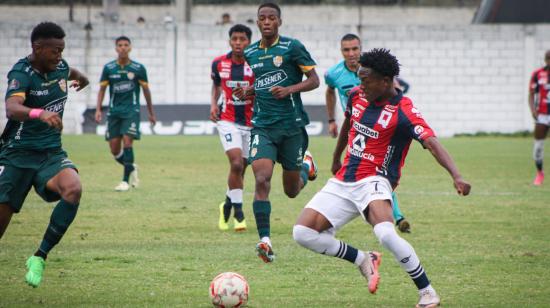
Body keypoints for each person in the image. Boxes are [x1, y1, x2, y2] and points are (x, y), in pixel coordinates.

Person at [293, 49, 471, 307]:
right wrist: (335, 156)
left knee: (386, 234)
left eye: (365, 80)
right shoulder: (357, 96)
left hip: (375, 179)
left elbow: (431, 142)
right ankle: (363, 259)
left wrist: (457, 176)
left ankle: (427, 292)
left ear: (386, 81)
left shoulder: (404, 110)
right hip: (344, 179)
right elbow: (349, 124)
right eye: (359, 79)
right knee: (302, 233)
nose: (360, 85)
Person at [0, 22, 89, 288]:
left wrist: (82, 79)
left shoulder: (60, 67)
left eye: (62, 50)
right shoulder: (22, 73)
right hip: (17, 155)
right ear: (37, 48)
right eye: (54, 51)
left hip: (50, 154)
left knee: (73, 189)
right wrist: (39, 113)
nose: (59, 56)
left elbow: (69, 71)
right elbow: (12, 108)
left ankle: (39, 256)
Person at [234, 2, 319, 263]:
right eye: (262, 18)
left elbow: (315, 80)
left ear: (279, 22)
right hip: (263, 126)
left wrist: (290, 89)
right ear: (257, 23)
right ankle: (265, 241)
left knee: (291, 191)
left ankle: (306, 165)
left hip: (292, 126)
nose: (267, 21)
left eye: (272, 17)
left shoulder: (292, 47)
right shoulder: (250, 52)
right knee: (261, 177)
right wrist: (250, 91)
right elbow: (262, 81)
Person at [325, 33, 411, 233]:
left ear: (360, 48)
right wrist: (331, 120)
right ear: (341, 51)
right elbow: (329, 91)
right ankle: (386, 217)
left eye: (355, 49)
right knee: (367, 170)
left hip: (375, 126)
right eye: (346, 50)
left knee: (378, 169)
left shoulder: (375, 70)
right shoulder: (333, 73)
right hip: (353, 125)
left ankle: (395, 217)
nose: (351, 53)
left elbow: (394, 91)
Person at [95, 36, 156, 191]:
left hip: (131, 111)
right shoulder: (109, 68)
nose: (123, 48)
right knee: (114, 149)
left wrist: (150, 112)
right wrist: (98, 110)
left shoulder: (138, 68)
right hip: (114, 112)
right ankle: (131, 167)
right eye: (120, 45)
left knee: (127, 142)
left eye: (126, 45)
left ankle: (124, 182)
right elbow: (102, 90)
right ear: (116, 48)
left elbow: (146, 91)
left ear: (130, 48)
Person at [210, 24, 254, 232]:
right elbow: (217, 85)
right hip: (227, 120)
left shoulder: (255, 63)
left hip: (251, 123)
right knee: (236, 163)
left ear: (249, 41)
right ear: (230, 41)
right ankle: (239, 213)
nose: (238, 43)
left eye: (242, 39)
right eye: (234, 39)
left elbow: (262, 89)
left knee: (241, 170)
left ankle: (226, 204)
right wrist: (213, 104)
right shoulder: (219, 63)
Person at [528, 50, 550, 185]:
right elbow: (531, 94)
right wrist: (532, 110)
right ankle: (539, 173)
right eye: (548, 59)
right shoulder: (537, 74)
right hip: (542, 115)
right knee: (538, 147)